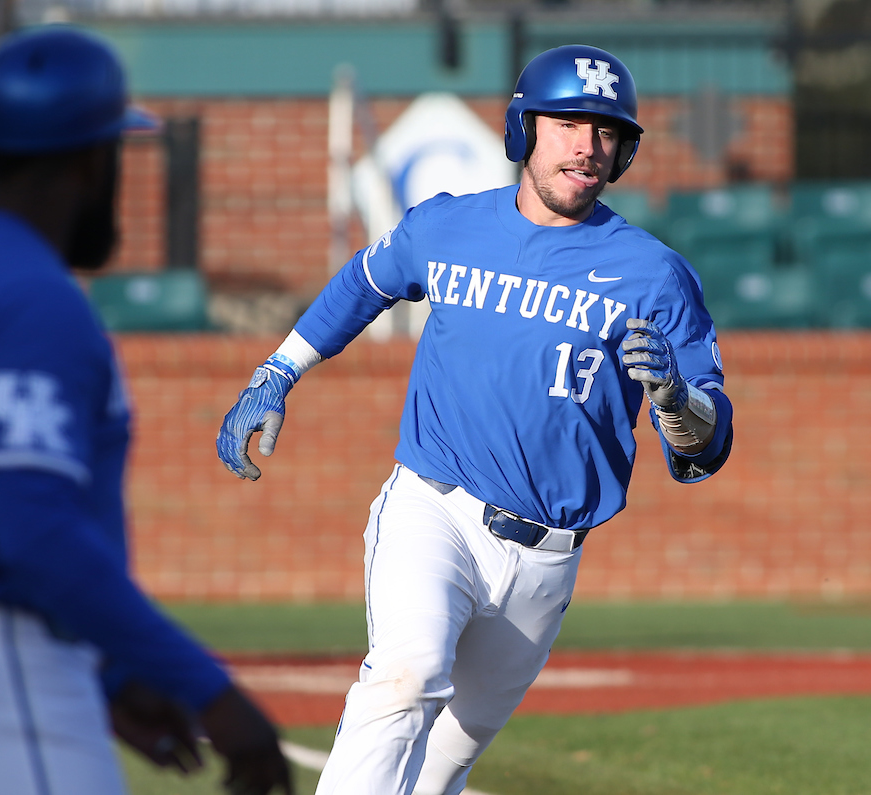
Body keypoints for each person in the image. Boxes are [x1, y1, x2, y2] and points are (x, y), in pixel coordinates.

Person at [217, 44, 734, 795]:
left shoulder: (653, 274)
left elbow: (705, 445)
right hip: (437, 508)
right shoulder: (449, 227)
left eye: (606, 131)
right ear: (524, 129)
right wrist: (278, 370)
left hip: (549, 558)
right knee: (406, 676)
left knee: (438, 770)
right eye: (567, 124)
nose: (587, 146)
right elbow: (366, 281)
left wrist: (677, 404)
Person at [0, 25, 293, 795]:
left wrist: (116, 675)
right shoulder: (30, 295)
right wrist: (211, 692)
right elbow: (36, 531)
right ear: (90, 160)